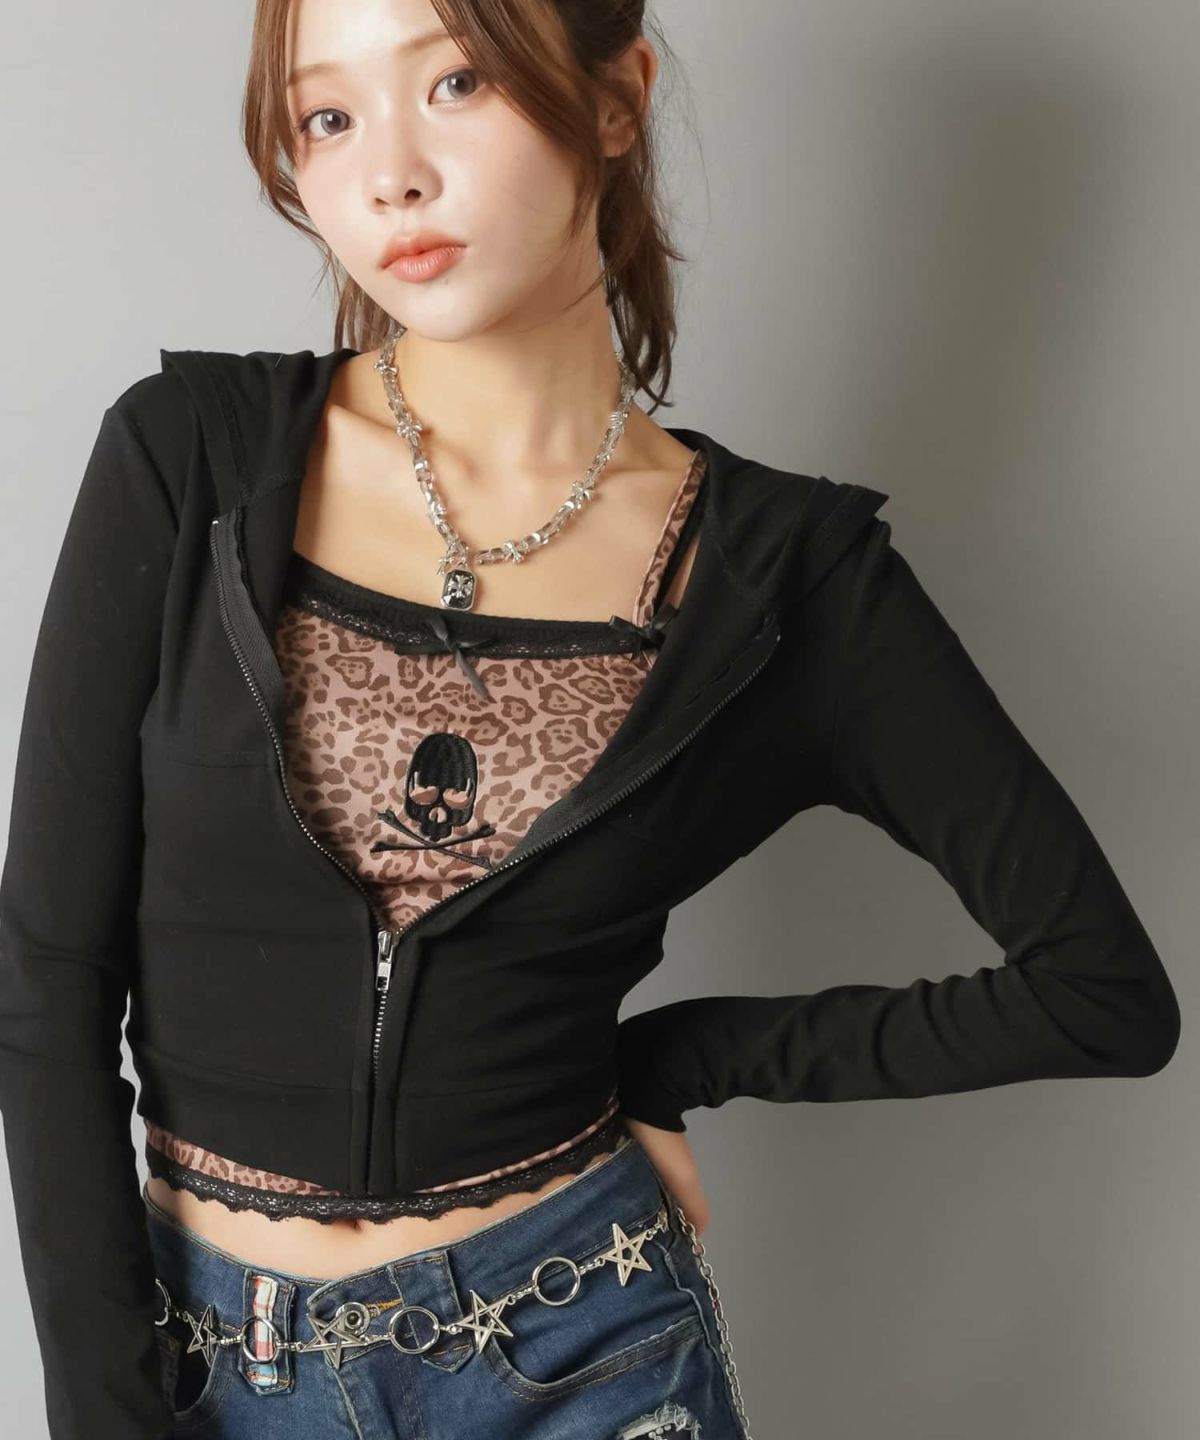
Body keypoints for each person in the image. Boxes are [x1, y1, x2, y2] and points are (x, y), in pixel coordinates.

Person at [0, 1, 1180, 1437]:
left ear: (615, 98)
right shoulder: (191, 462)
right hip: (210, 1364)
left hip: (582, 1347)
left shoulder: (785, 576)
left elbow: (1101, 992)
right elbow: (46, 978)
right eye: (328, 116)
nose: (392, 175)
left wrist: (680, 1059)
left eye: (456, 81)